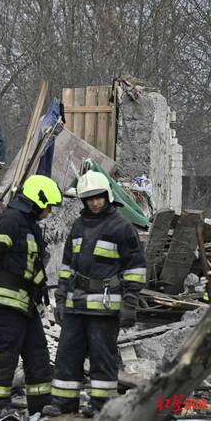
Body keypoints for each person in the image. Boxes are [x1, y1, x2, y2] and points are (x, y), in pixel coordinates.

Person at [43, 170, 146, 418]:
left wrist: (129, 304)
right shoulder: (78, 226)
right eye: (89, 199)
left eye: (98, 197)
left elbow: (136, 268)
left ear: (108, 196)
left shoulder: (121, 227)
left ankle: (102, 406)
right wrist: (60, 300)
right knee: (67, 354)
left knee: (103, 358)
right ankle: (63, 403)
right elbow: (67, 267)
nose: (95, 203)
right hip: (76, 304)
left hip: (105, 308)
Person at [0, 174, 62, 415]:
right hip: (8, 302)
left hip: (26, 303)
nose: (50, 211)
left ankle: (40, 407)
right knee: (6, 354)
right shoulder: (11, 220)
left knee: (37, 353)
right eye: (48, 206)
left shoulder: (28, 225)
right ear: (36, 201)